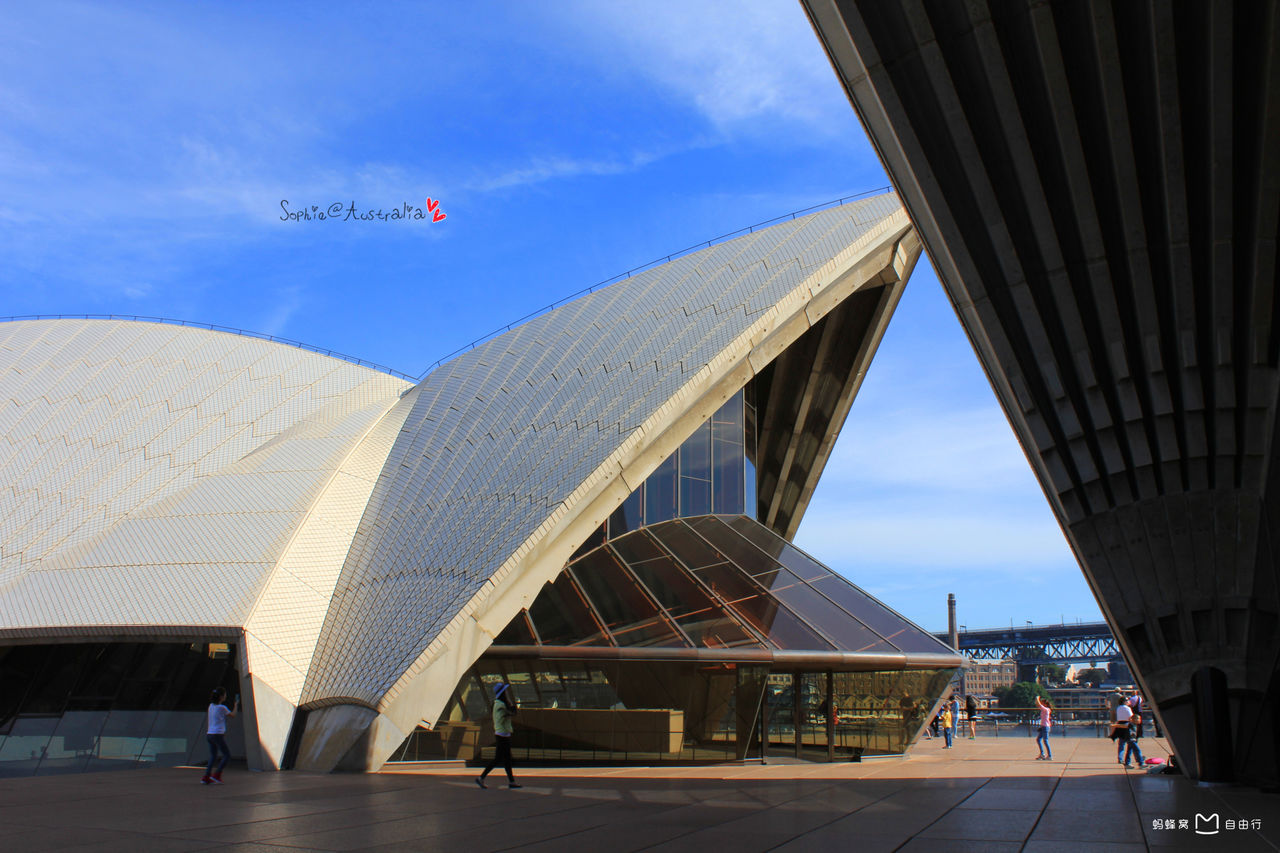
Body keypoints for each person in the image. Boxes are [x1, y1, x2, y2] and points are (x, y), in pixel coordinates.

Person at [476, 682, 522, 789]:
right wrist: (510, 713)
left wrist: (510, 712)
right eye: (505, 691)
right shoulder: (500, 705)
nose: (506, 693)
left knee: (506, 760)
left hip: (502, 734)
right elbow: (501, 718)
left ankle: (511, 781)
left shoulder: (498, 704)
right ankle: (481, 778)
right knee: (499, 759)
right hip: (502, 735)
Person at [201, 686, 237, 785]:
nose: (226, 696)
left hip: (209, 734)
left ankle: (206, 777)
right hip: (218, 735)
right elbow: (233, 715)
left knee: (213, 755)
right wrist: (236, 705)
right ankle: (217, 775)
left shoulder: (211, 706)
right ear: (221, 697)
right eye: (225, 694)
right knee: (226, 755)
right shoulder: (222, 708)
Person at [1034, 695, 1052, 760]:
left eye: (1042, 703)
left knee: (1045, 741)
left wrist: (1037, 698)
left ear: (1045, 704)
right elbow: (1038, 705)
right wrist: (1037, 700)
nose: (1041, 704)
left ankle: (1049, 755)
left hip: (1045, 727)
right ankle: (1042, 754)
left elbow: (1039, 704)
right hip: (1043, 726)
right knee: (1038, 739)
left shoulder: (1046, 709)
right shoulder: (1044, 709)